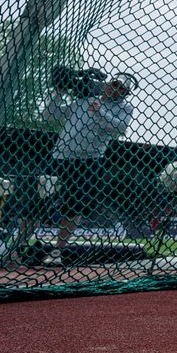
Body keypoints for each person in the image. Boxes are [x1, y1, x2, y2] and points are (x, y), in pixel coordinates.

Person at [34, 73, 137, 265]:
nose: (115, 88)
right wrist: (59, 92)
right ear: (107, 83)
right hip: (60, 156)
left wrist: (101, 112)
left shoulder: (125, 108)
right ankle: (17, 244)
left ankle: (58, 251)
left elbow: (120, 129)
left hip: (88, 160)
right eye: (114, 83)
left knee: (75, 206)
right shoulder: (84, 100)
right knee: (37, 197)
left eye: (121, 87)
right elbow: (49, 116)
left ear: (125, 93)